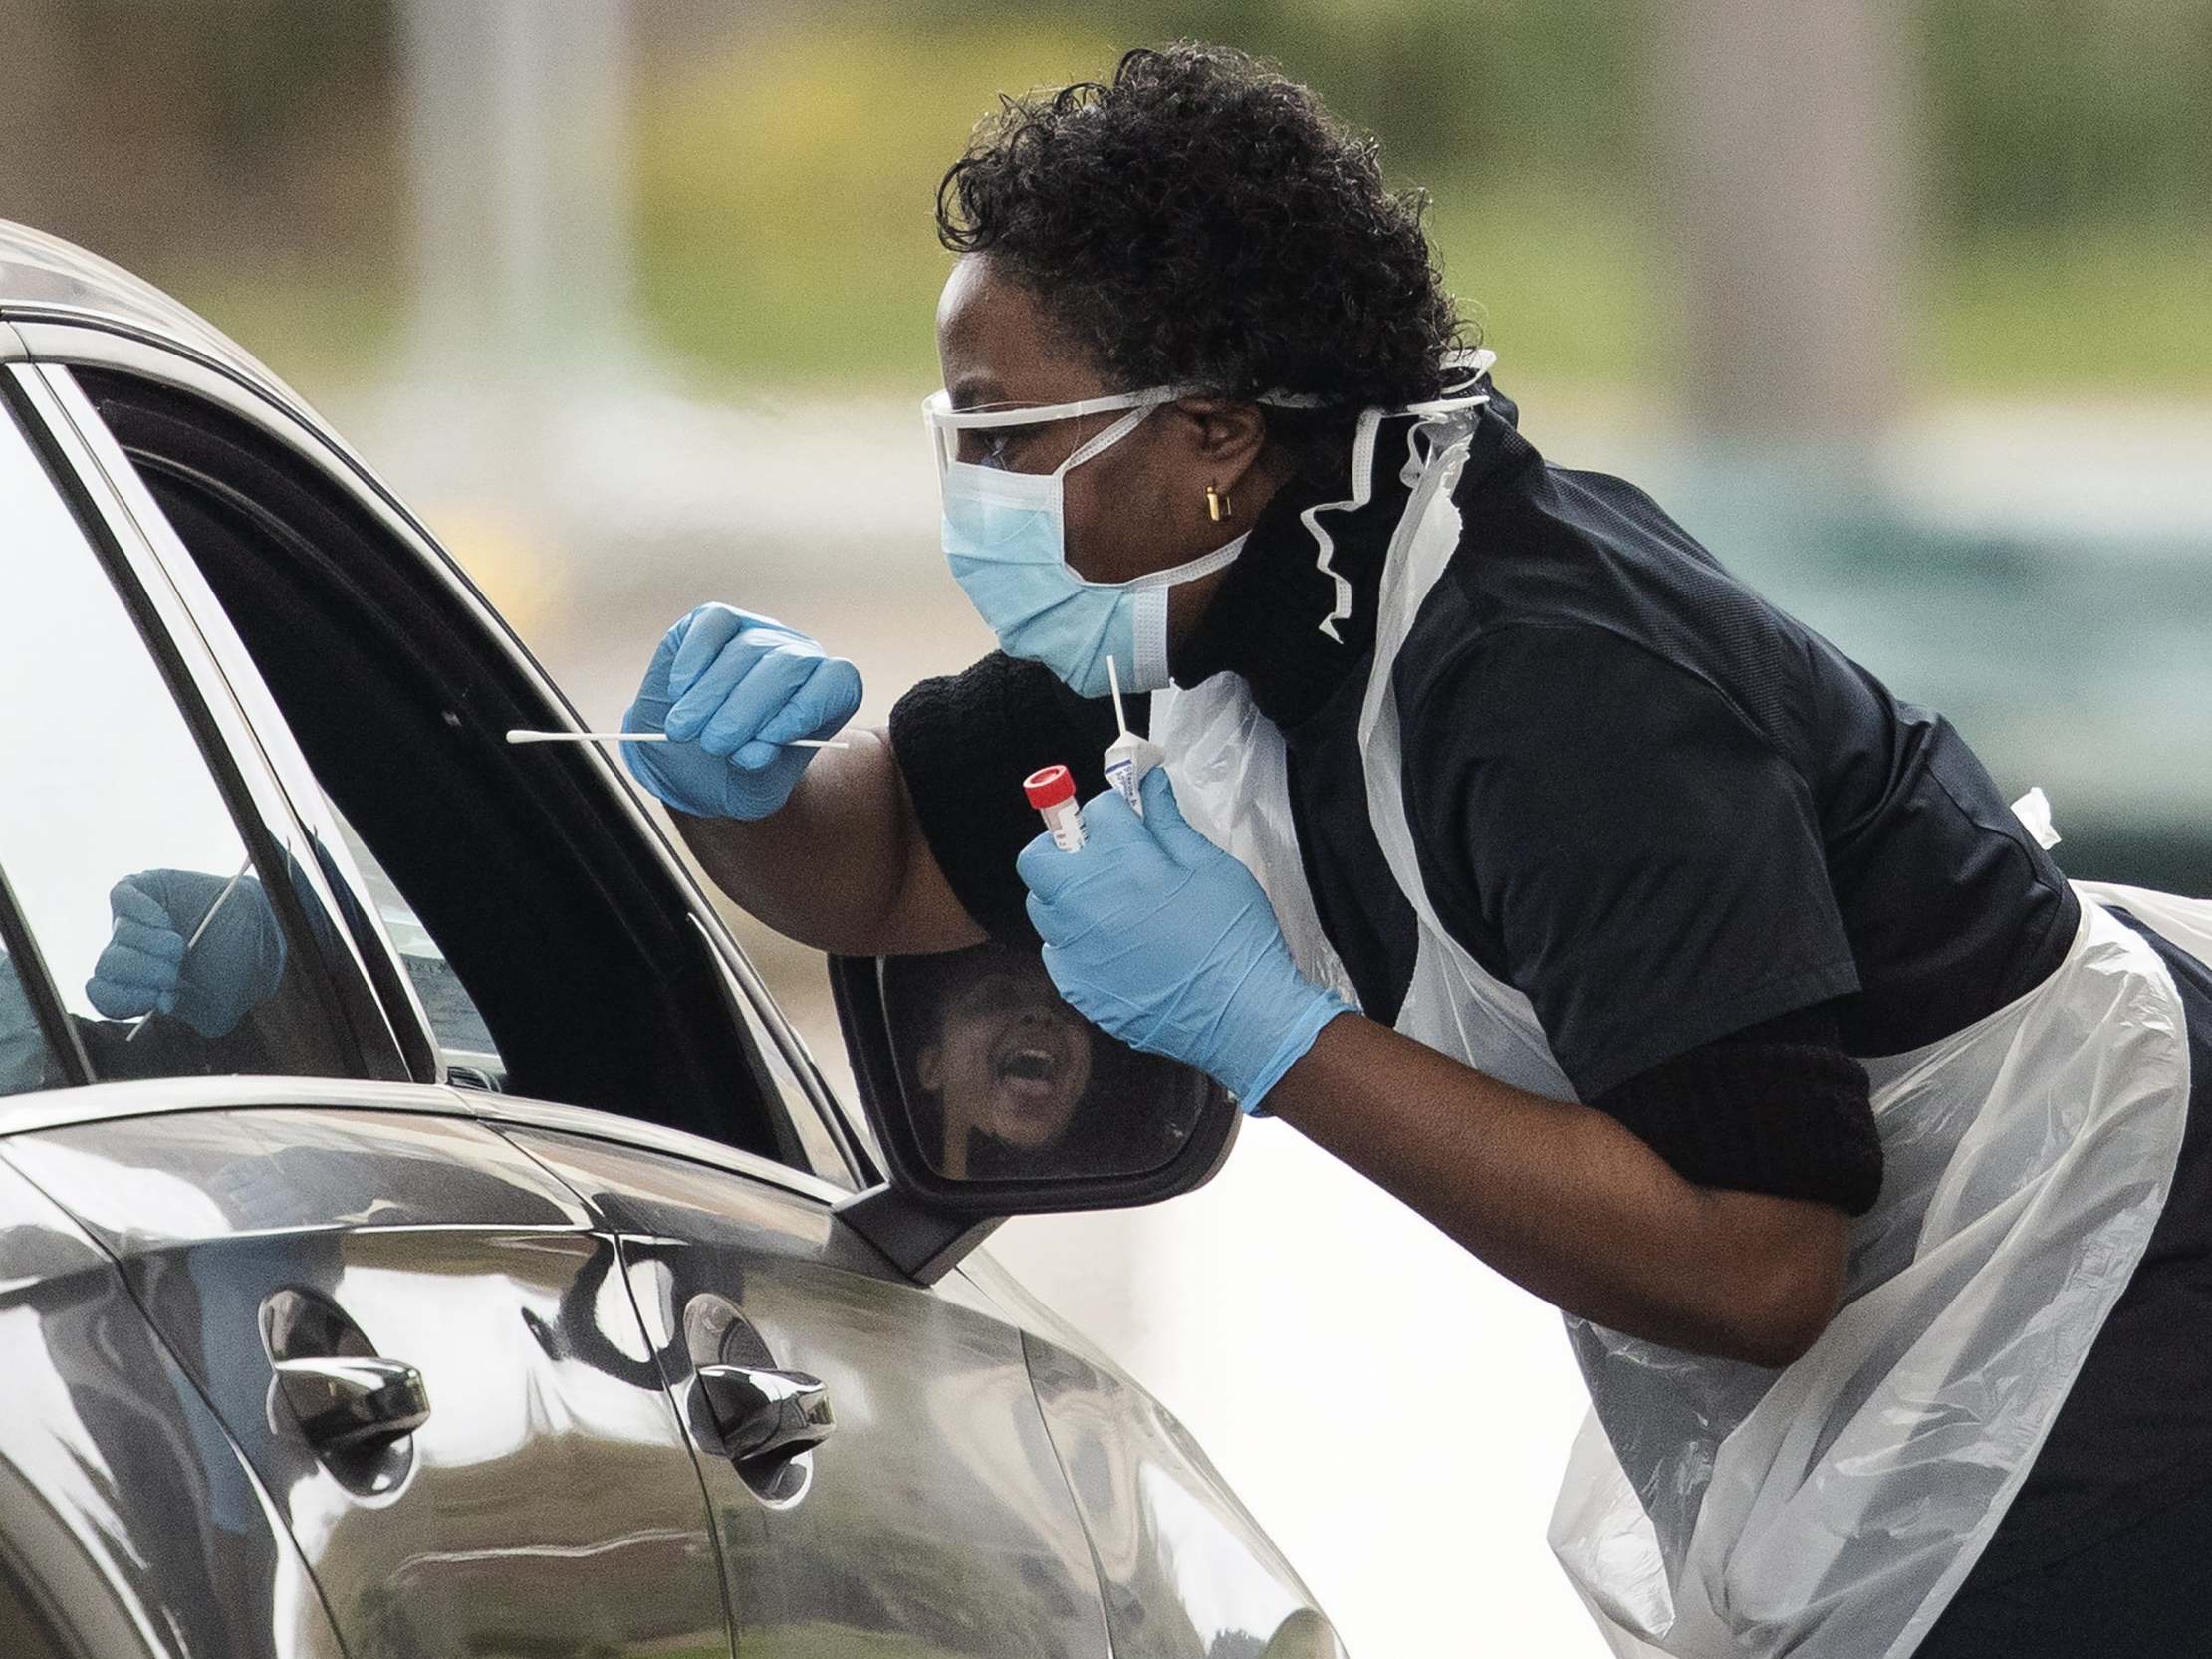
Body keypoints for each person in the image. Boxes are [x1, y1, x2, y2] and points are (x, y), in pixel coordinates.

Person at [620, 44, 2212, 1658]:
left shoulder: (1553, 686)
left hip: (2103, 1259)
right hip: (1894, 1336)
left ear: (1212, 439)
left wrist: (1273, 1038)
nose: (965, 495)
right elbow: (884, 863)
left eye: (1003, 436)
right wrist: (733, 792)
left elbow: (1755, 1258)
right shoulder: (1209, 617)